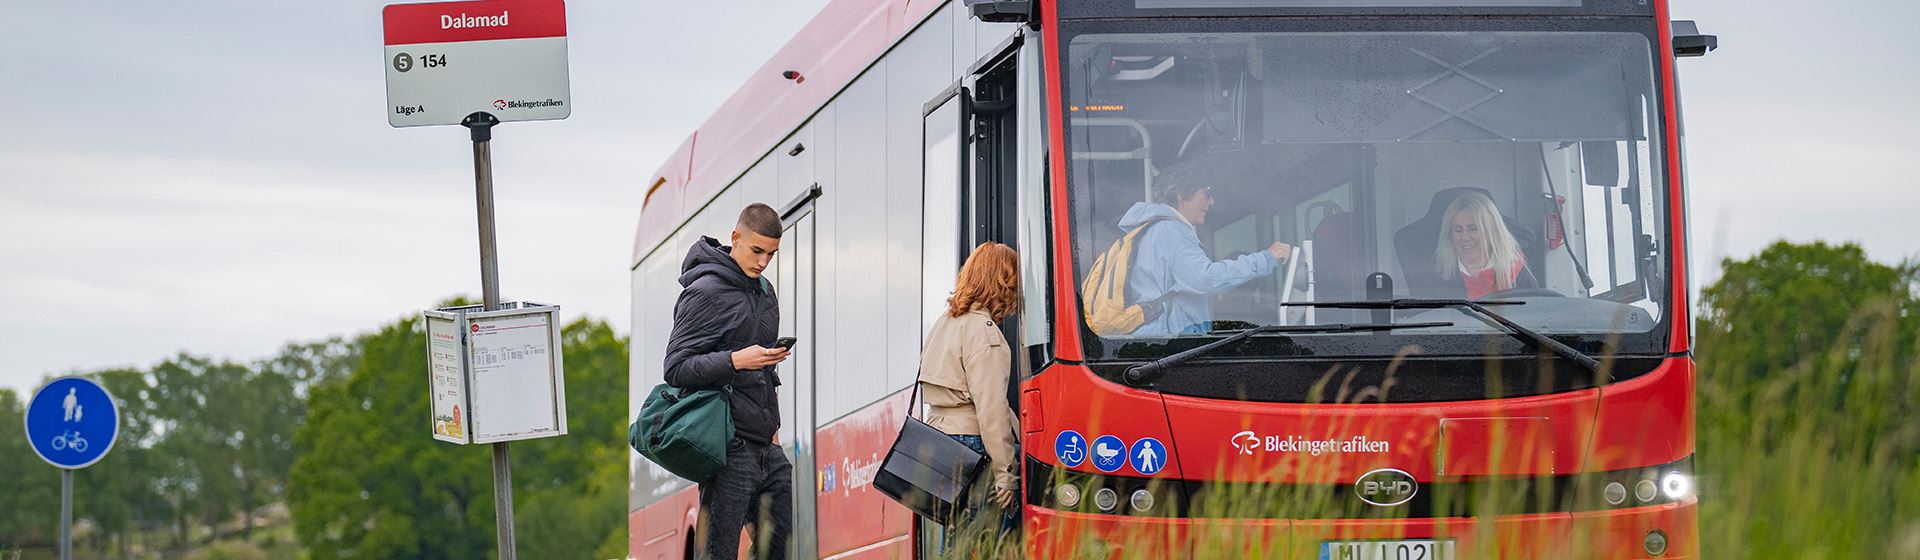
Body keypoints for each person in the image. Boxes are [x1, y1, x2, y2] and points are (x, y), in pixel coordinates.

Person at [664, 203, 792, 560]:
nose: (764, 262)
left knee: (779, 549)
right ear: (736, 238)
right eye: (757, 251)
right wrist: (737, 360)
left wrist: (774, 430)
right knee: (717, 554)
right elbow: (675, 367)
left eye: (771, 254)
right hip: (727, 445)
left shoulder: (766, 294)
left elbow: (765, 373)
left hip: (767, 445)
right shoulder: (704, 291)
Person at [918, 242, 1022, 545]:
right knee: (973, 542)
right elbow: (990, 411)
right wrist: (1006, 475)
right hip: (971, 443)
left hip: (941, 441)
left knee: (956, 540)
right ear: (1002, 282)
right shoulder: (983, 331)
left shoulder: (946, 322)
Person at [1117, 165, 1292, 335]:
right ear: (1180, 196)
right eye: (1206, 193)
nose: (1211, 201)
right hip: (1171, 344)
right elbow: (1205, 278)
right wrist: (1266, 258)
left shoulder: (1153, 229)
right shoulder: (1171, 230)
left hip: (1160, 337)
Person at [1434, 191, 1535, 299]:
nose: (1465, 237)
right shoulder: (1437, 275)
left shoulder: (1517, 272)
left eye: (1473, 229)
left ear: (1492, 230)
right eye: (1457, 230)